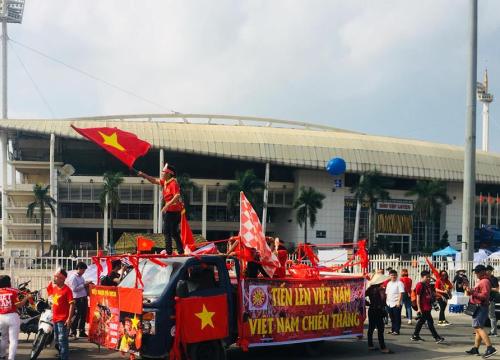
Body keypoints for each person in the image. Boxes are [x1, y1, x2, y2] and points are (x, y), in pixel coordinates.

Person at [138, 163, 184, 255]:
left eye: (164, 173)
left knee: (166, 231)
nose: (162, 174)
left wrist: (167, 205)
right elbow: (154, 180)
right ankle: (180, 251)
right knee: (174, 232)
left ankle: (169, 252)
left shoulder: (173, 183)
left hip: (173, 212)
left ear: (169, 174)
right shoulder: (166, 182)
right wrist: (144, 175)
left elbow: (177, 195)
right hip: (172, 211)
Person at [465, 265, 497, 357]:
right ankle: (475, 348)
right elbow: (476, 293)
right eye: (475, 272)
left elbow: (484, 296)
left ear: (483, 271)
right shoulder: (481, 281)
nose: (476, 273)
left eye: (477, 271)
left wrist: (472, 292)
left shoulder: (485, 281)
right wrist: (469, 290)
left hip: (480, 307)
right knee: (478, 328)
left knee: (478, 327)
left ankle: (490, 348)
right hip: (479, 306)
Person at [0, 275, 32, 360]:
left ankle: (2, 355)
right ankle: (11, 358)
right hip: (12, 317)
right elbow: (19, 305)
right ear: (8, 283)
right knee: (13, 340)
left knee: (3, 338)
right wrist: (26, 298)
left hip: (1, 317)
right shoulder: (12, 292)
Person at [48, 269, 75, 360]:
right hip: (55, 319)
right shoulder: (55, 288)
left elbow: (72, 304)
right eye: (55, 277)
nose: (54, 279)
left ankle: (64, 357)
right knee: (56, 340)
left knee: (62, 340)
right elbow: (51, 299)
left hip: (63, 319)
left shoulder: (67, 290)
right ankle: (62, 354)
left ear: (62, 279)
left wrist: (69, 319)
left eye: (56, 277)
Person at [410, 270, 445, 343]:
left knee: (421, 321)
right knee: (430, 322)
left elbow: (431, 294)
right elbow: (418, 297)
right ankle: (436, 337)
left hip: (428, 306)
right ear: (422, 277)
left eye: (429, 277)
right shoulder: (419, 285)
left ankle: (415, 335)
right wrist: (419, 309)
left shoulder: (427, 285)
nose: (429, 278)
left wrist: (439, 298)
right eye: (427, 277)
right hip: (423, 307)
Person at [365, 272, 393, 354]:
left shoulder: (370, 289)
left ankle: (370, 345)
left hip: (371, 309)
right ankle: (383, 347)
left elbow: (362, 296)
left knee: (371, 328)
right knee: (380, 329)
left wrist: (368, 303)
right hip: (378, 310)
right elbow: (383, 300)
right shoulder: (381, 289)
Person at [67, 262, 91, 338]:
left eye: (84, 270)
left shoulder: (81, 277)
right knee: (76, 315)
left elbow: (82, 286)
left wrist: (86, 284)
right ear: (79, 269)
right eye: (83, 270)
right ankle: (73, 331)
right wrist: (84, 285)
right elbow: (74, 289)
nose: (83, 272)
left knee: (83, 315)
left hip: (83, 298)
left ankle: (81, 331)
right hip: (77, 298)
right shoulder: (73, 277)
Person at [385, 270, 404, 335]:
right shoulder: (389, 283)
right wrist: (386, 301)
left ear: (397, 275)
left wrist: (399, 302)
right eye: (392, 275)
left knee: (397, 317)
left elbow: (401, 293)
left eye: (394, 275)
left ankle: (396, 330)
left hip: (396, 303)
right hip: (389, 303)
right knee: (392, 317)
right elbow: (387, 293)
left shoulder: (399, 283)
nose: (393, 276)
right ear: (389, 276)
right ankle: (392, 329)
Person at [486, 265, 499, 336]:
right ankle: (479, 330)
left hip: (491, 299)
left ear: (491, 271)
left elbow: (497, 289)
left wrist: (487, 288)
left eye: (488, 270)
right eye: (486, 270)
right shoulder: (485, 278)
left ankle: (494, 332)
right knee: (485, 315)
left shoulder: (493, 279)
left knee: (492, 316)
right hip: (485, 299)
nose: (486, 271)